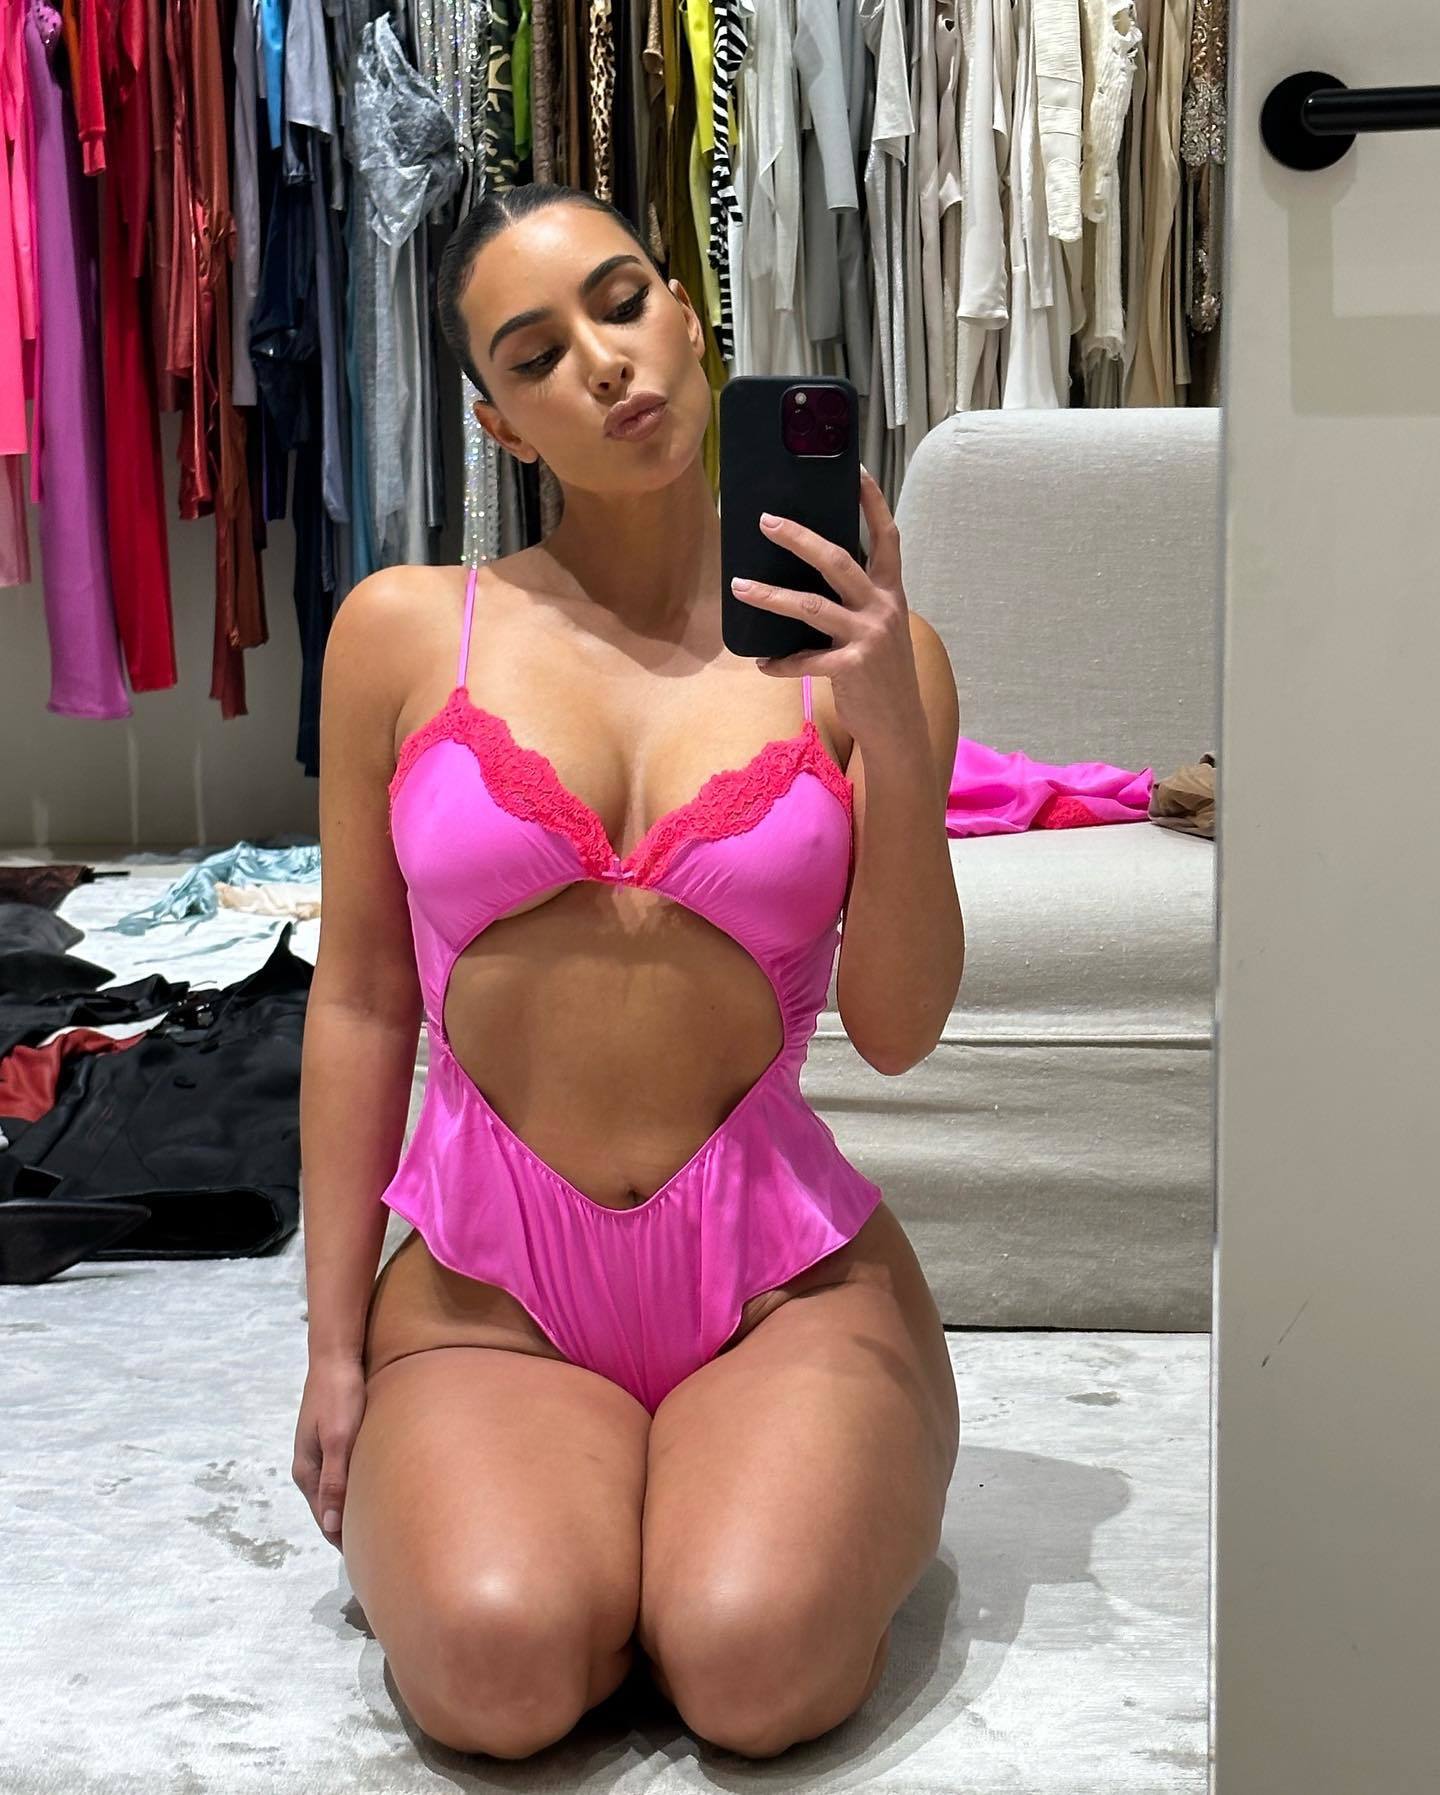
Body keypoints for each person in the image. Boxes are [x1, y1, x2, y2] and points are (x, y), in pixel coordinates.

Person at [292, 181, 966, 1762]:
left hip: (784, 1281)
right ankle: (604, 1545)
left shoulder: (869, 655)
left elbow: (898, 1028)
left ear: (685, 316)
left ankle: (712, 1534)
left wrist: (893, 727)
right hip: (485, 1290)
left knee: (754, 1666)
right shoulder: (404, 633)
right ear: (500, 425)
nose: (601, 362)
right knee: (495, 1672)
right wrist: (331, 1348)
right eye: (535, 356)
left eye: (619, 302)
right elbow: (364, 1000)